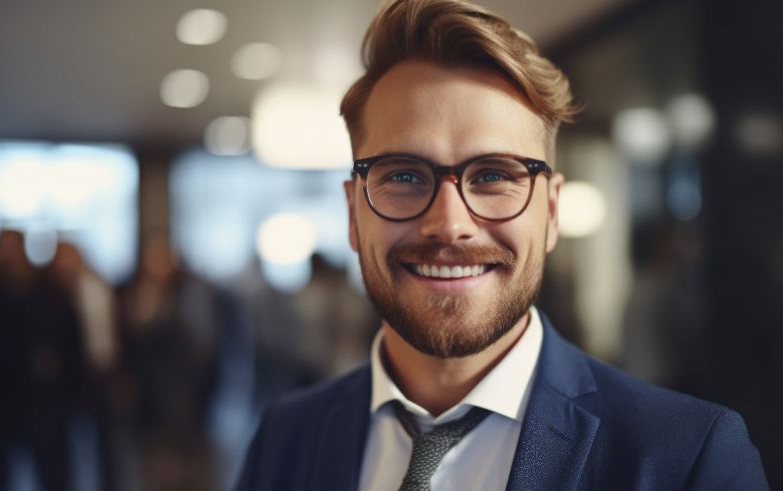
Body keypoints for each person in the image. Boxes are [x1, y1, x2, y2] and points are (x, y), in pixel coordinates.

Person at [235, 0, 769, 489]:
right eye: (402, 176)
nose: (449, 224)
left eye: (493, 175)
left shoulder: (685, 458)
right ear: (353, 212)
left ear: (552, 212)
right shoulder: (287, 436)